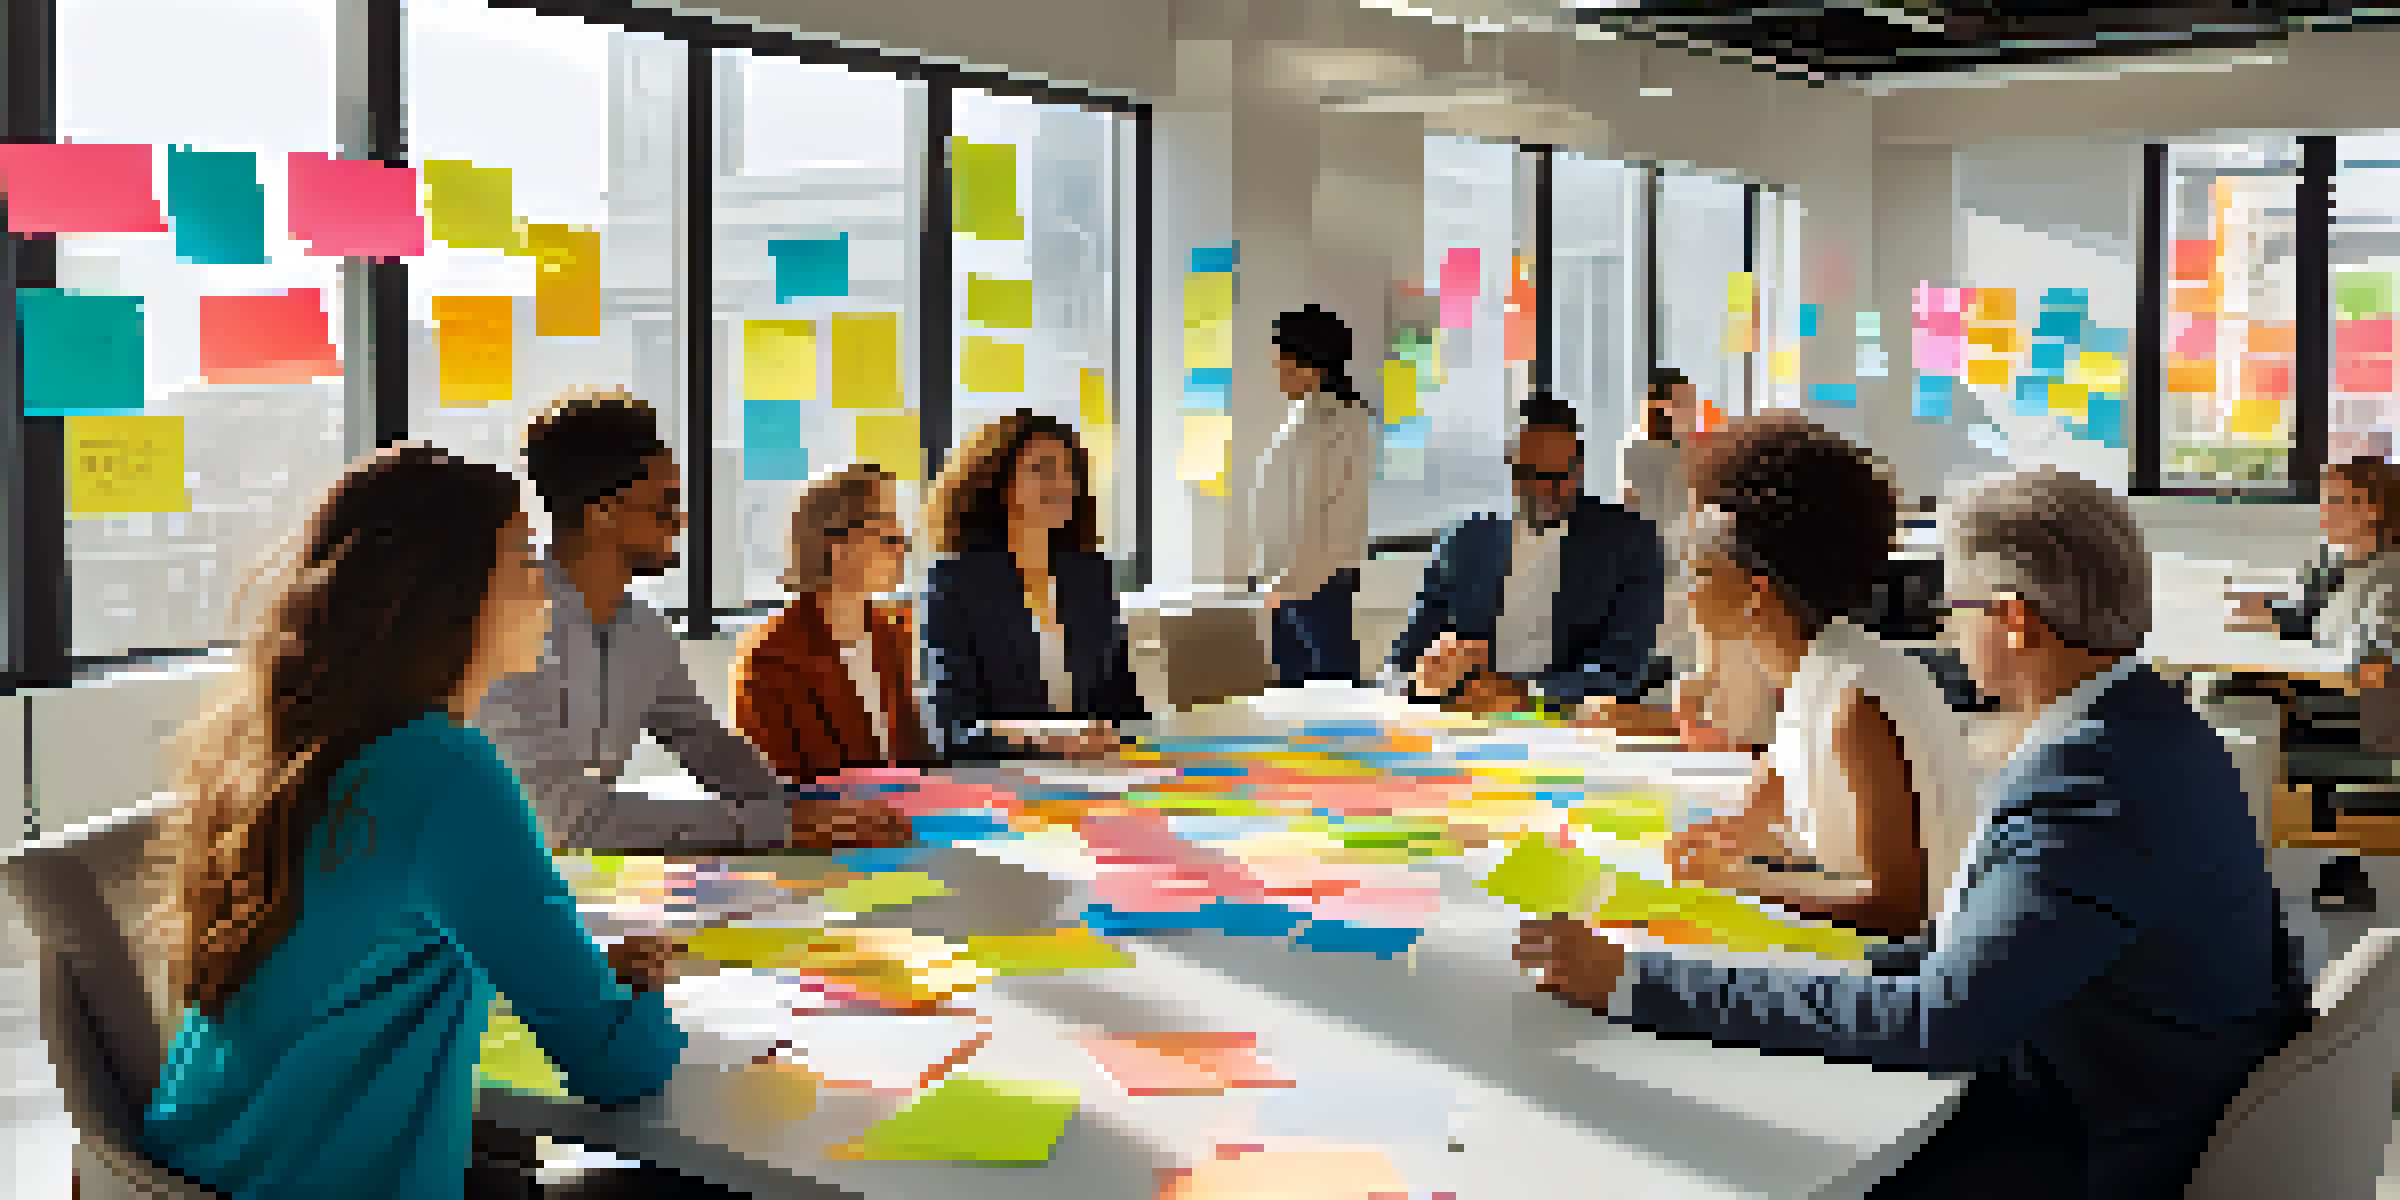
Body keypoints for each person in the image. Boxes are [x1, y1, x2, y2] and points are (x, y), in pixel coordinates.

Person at [1517, 467, 2310, 1200]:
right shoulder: (2139, 723)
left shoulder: (2094, 780)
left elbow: (1942, 1021)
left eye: (1955, 611)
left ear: (2012, 622)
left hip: (2091, 1141)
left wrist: (1637, 984)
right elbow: (1981, 949)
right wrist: (1774, 956)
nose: (1947, 633)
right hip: (2118, 1074)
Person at [140, 443, 714, 1200]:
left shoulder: (298, 750)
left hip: (207, 1166)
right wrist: (649, 997)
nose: (546, 584)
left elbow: (358, 960)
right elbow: (616, 1067)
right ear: (446, 595)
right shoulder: (447, 772)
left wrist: (573, 975)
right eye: (521, 560)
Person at [477, 386, 903, 852]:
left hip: (572, 873)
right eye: (664, 506)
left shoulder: (643, 630)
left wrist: (797, 813)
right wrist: (768, 827)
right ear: (602, 514)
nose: (680, 522)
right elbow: (563, 818)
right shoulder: (511, 627)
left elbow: (708, 746)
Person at [1646, 415, 1973, 939]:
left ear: (1756, 593)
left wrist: (1741, 877)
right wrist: (1736, 840)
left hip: (1898, 979)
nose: (1684, 591)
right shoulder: (1817, 673)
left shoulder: (1852, 703)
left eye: (1697, 570)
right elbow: (1770, 804)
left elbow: (1899, 907)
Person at [1387, 393, 1667, 715]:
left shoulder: (1629, 540)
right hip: (1466, 719)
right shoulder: (1465, 541)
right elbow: (1400, 665)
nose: (1544, 489)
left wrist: (1524, 696)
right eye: (1530, 475)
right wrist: (1423, 680)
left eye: (1560, 477)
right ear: (1511, 465)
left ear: (1580, 469)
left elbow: (1622, 668)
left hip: (1567, 726)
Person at [2227, 456, 2400, 911]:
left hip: (2374, 714)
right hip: (2334, 692)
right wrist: (2268, 611)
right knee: (2223, 695)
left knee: (2248, 717)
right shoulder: (2334, 558)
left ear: (2375, 511)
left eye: (2340, 501)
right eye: (2326, 500)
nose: (2326, 512)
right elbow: (2306, 615)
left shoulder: (2390, 576)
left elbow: (2377, 664)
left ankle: (2329, 862)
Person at [924, 410, 1147, 760]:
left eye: (1069, 472)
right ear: (1000, 481)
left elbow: (1119, 699)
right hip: (1005, 782)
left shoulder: (1090, 573)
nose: (1061, 485)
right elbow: (954, 728)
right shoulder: (955, 582)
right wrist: (1050, 738)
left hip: (1096, 774)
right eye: (1041, 470)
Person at [732, 463, 933, 786]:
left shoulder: (897, 634)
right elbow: (778, 789)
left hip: (906, 821)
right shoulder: (770, 656)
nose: (903, 549)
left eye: (903, 536)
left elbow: (917, 759)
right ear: (835, 543)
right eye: (888, 535)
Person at [1251, 304, 1379, 685]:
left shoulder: (1337, 419)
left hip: (1313, 583)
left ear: (1311, 365)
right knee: (1297, 698)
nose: (1277, 375)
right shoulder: (1305, 415)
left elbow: (1313, 513)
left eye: (1283, 365)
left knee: (1330, 697)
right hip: (1292, 581)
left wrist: (1285, 583)